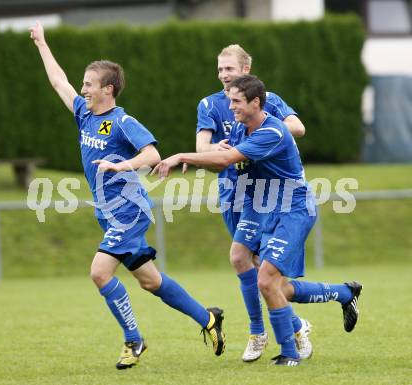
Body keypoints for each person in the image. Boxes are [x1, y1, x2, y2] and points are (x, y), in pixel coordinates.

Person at [29, 21, 226, 370]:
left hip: (129, 211)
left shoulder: (122, 121)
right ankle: (208, 319)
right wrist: (42, 44)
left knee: (100, 272)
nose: (83, 89)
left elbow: (151, 155)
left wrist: (122, 167)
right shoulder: (83, 114)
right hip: (109, 212)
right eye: (84, 84)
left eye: (89, 84)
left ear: (109, 89)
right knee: (151, 281)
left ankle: (134, 341)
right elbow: (59, 81)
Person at [154, 75, 362, 366]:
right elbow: (229, 162)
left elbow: (227, 160)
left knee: (268, 282)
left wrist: (179, 156)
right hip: (259, 205)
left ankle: (289, 352)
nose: (230, 106)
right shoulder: (241, 128)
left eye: (236, 101)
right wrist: (208, 155)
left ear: (255, 102)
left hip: (293, 209)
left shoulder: (272, 132)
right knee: (245, 261)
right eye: (229, 100)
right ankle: (341, 294)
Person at [196, 44, 310, 362]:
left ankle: (291, 331)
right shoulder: (208, 104)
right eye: (219, 69)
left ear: (246, 70)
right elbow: (202, 148)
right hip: (235, 194)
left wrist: (256, 133)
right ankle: (263, 332)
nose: (223, 75)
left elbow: (297, 128)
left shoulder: (265, 101)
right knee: (242, 260)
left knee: (268, 274)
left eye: (229, 69)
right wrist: (215, 150)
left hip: (270, 194)